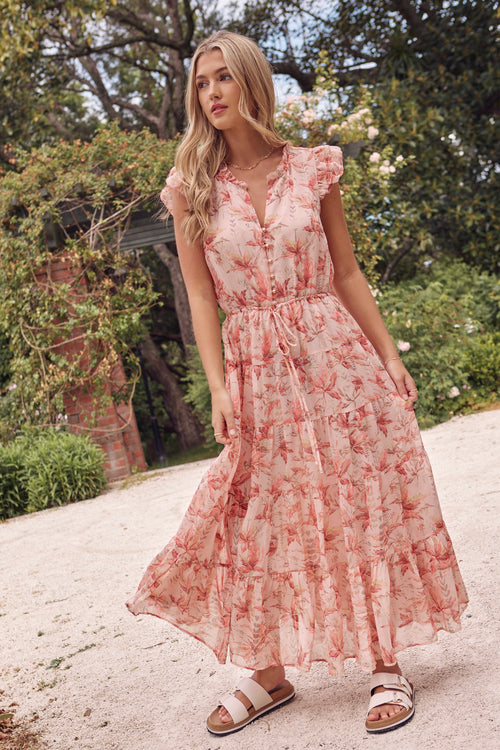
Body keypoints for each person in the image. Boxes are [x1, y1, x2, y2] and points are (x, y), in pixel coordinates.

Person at [126, 30, 468, 736]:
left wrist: (389, 356)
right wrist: (218, 386)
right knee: (259, 514)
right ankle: (270, 670)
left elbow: (345, 272)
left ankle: (384, 661)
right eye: (201, 82)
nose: (212, 93)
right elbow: (198, 297)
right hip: (254, 368)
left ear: (252, 82)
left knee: (359, 494)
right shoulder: (190, 185)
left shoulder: (314, 169)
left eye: (223, 78)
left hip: (334, 357)